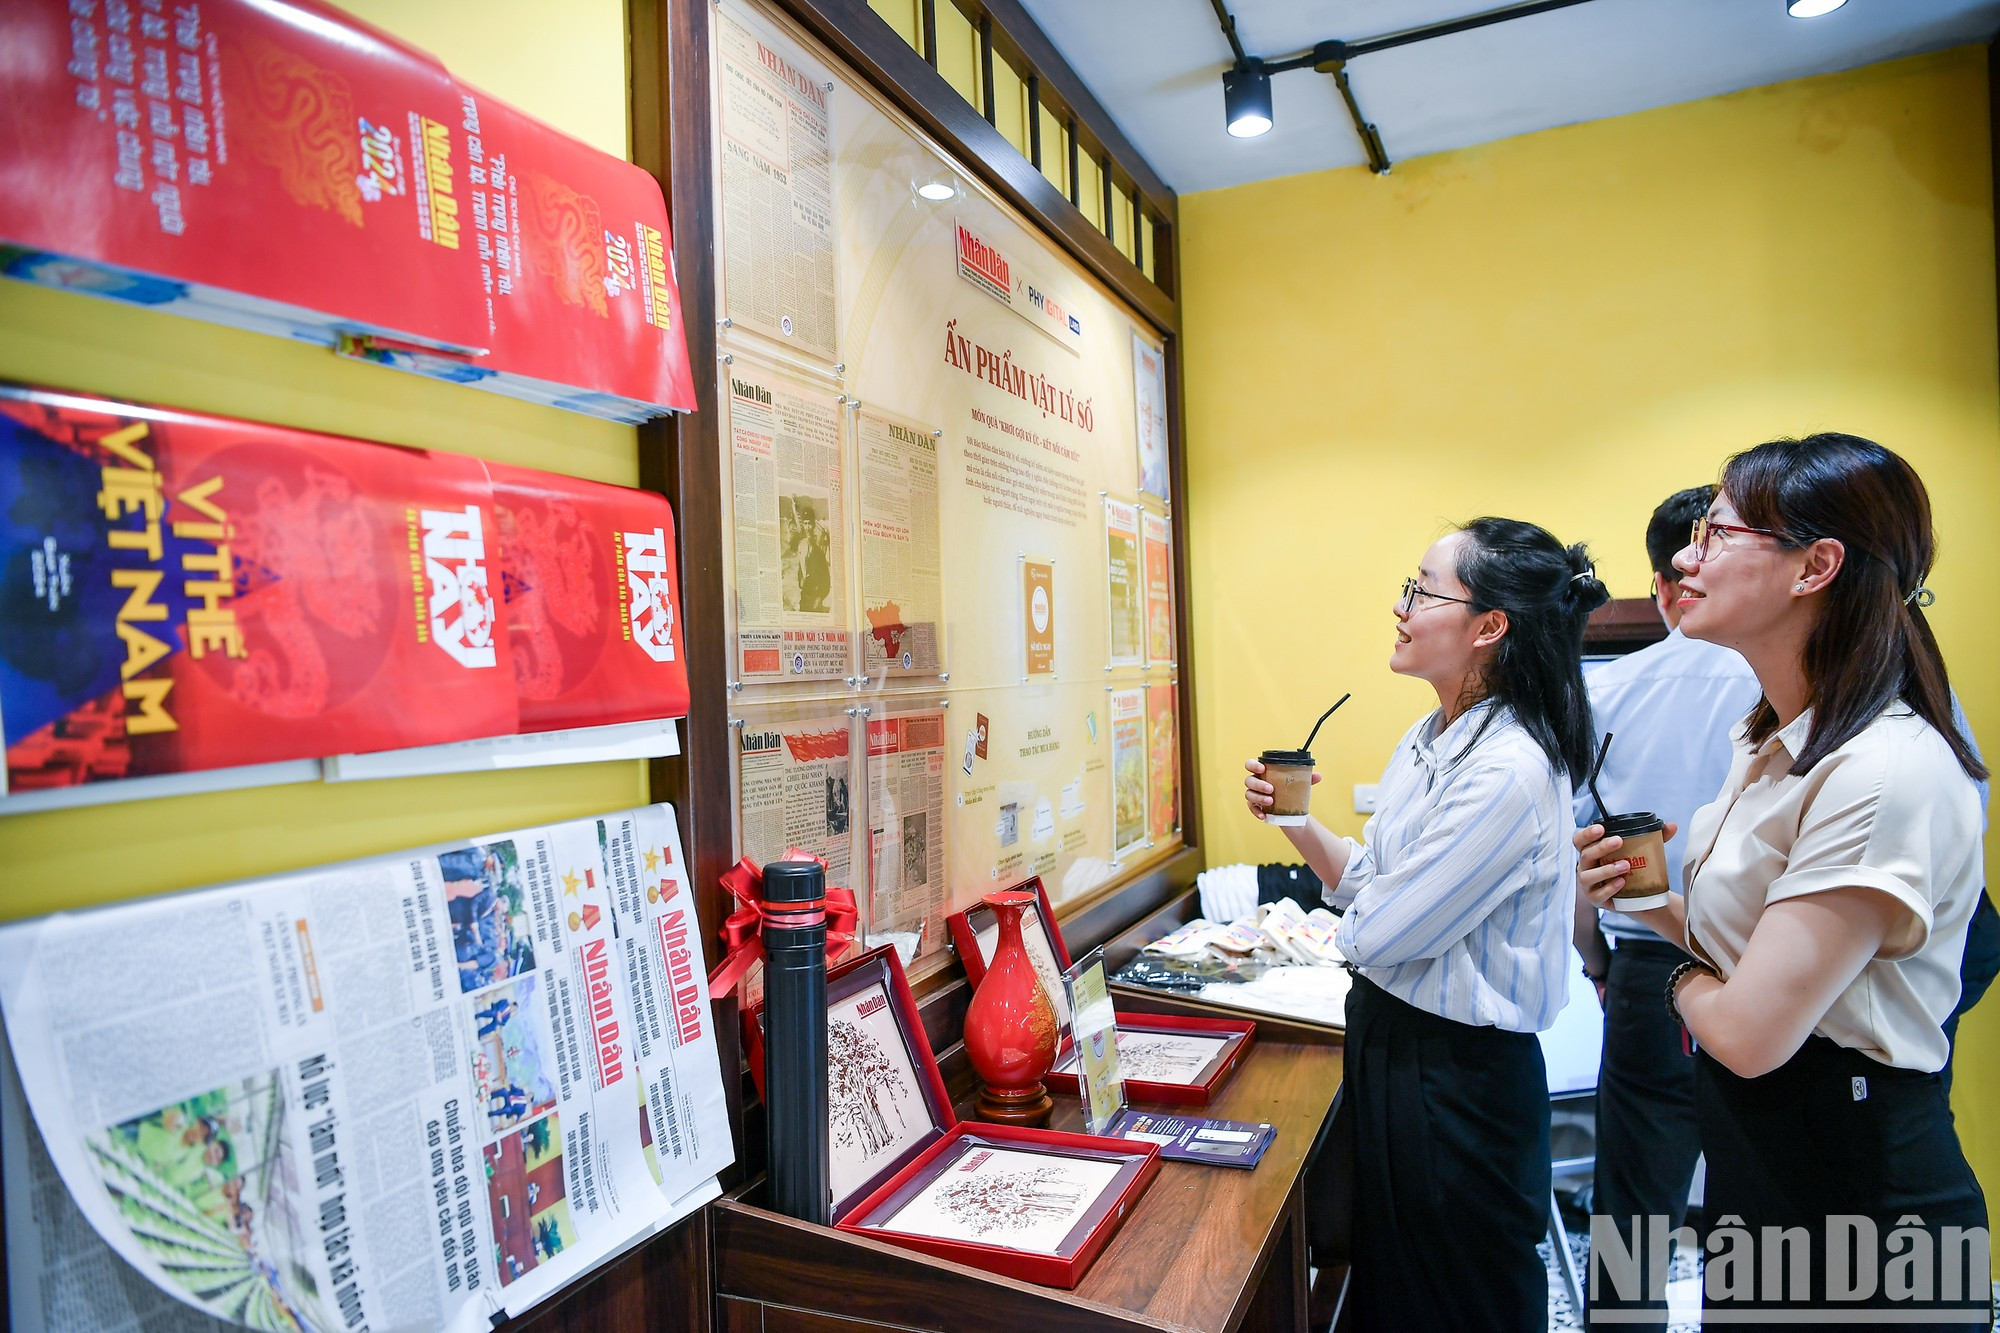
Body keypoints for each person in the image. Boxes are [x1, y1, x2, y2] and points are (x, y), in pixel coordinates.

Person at [1578, 434, 1989, 1325]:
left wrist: (1676, 979)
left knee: (1634, 1199)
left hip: (1862, 1198)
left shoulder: (1884, 769)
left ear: (1817, 567)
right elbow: (1749, 943)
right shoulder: (1768, 738)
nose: (1687, 557)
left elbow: (1754, 1029)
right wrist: (1651, 905)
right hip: (1766, 1158)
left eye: (1717, 533)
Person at [1244, 517, 1608, 1331]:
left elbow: (1375, 933)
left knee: (1460, 1298)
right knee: (1398, 1292)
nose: (1402, 608)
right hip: (1396, 1046)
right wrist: (1296, 820)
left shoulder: (1510, 768)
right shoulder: (1428, 737)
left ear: (1489, 627)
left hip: (1460, 1081)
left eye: (1421, 590)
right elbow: (1369, 884)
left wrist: (1367, 909)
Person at [1572, 485, 1762, 1324]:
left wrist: (1600, 963)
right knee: (1765, 1191)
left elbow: (1578, 857)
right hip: (1782, 957)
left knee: (1634, 1198)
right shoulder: (1790, 681)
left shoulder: (1606, 694)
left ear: (1660, 584)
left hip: (1655, 959)